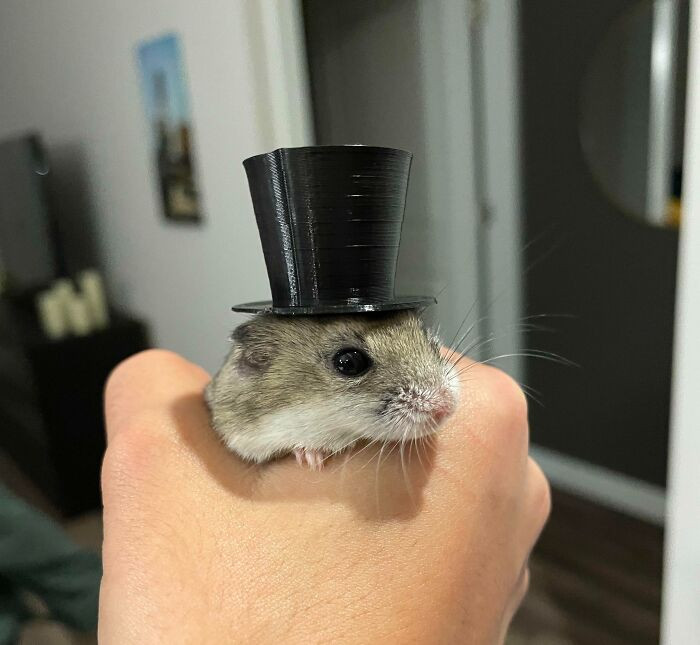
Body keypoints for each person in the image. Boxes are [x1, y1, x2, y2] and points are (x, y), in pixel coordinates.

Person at [99, 349, 550, 643]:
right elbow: (241, 437)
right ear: (260, 361)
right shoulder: (250, 405)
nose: (441, 401)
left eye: (426, 344)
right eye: (351, 364)